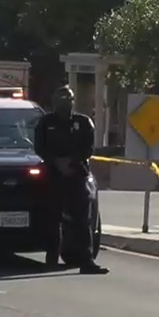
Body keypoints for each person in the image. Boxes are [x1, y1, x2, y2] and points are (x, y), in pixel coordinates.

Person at [33, 85, 107, 274]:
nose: (65, 102)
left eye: (69, 98)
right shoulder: (45, 122)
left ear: (73, 101)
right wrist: (56, 161)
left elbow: (88, 149)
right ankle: (51, 260)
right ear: (54, 101)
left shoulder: (83, 122)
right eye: (61, 98)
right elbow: (40, 147)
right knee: (53, 219)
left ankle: (87, 261)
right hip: (53, 176)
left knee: (83, 222)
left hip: (77, 175)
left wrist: (71, 162)